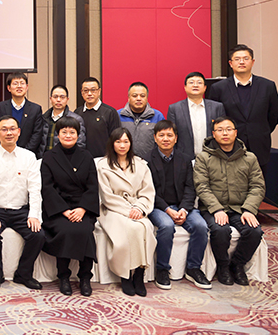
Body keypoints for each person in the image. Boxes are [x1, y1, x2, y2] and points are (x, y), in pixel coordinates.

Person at [194, 116, 265, 286]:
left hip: (240, 208)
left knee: (254, 231)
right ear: (213, 134)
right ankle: (223, 266)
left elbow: (258, 186)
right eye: (220, 130)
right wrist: (217, 209)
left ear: (235, 132)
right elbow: (201, 186)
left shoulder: (249, 158)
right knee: (220, 230)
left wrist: (249, 209)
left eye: (228, 129)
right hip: (212, 209)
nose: (224, 133)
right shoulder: (204, 157)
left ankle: (237, 265)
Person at [0, 115, 44, 291]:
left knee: (38, 235)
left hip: (21, 210)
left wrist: (34, 215)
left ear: (19, 132)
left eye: (12, 129)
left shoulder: (29, 157)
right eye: (4, 129)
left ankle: (24, 274)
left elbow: (35, 189)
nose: (9, 133)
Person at [146, 120, 211, 290]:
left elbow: (190, 187)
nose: (165, 139)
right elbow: (149, 191)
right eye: (161, 135)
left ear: (176, 138)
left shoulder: (185, 159)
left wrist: (183, 209)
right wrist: (168, 210)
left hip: (183, 205)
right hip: (159, 207)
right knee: (167, 226)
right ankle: (162, 269)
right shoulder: (147, 160)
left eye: (169, 135)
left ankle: (193, 268)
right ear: (155, 138)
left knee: (200, 226)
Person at [40, 117, 99, 297]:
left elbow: (92, 187)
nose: (68, 135)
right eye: (64, 132)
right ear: (57, 135)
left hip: (82, 208)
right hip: (58, 209)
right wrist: (64, 210)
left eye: (72, 132)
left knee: (85, 231)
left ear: (78, 135)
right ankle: (63, 276)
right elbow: (47, 188)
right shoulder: (49, 156)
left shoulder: (86, 156)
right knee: (65, 230)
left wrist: (82, 209)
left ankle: (85, 277)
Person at [96, 127, 156, 297]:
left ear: (130, 143)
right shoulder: (103, 165)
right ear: (112, 143)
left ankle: (139, 273)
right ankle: (126, 275)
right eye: (118, 141)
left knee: (146, 228)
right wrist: (128, 210)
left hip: (138, 208)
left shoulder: (141, 164)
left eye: (125, 141)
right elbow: (106, 196)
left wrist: (139, 208)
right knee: (130, 229)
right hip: (112, 209)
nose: (122, 145)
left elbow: (148, 192)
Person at [207, 44, 278, 168]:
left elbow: (273, 116)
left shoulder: (267, 86)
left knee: (259, 179)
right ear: (230, 63)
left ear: (252, 62)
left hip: (259, 145)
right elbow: (214, 118)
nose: (242, 62)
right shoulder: (218, 88)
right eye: (237, 59)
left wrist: (259, 131)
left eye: (246, 58)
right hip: (229, 146)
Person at [167, 72, 225, 159]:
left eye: (199, 82)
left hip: (212, 157)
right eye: (191, 82)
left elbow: (222, 132)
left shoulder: (217, 107)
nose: (195, 85)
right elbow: (171, 134)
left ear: (205, 88)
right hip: (184, 159)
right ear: (185, 87)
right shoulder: (174, 109)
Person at [0, 73, 43, 154]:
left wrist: (24, 153)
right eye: (15, 83)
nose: (19, 86)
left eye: (22, 83)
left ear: (27, 87)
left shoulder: (35, 109)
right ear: (9, 88)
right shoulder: (0, 107)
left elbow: (37, 134)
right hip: (4, 153)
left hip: (27, 155)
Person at [75, 77, 120, 158]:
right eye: (86, 90)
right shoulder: (77, 113)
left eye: (93, 90)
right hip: (81, 159)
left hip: (104, 159)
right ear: (82, 93)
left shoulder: (110, 112)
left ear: (99, 91)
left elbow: (116, 139)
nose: (89, 93)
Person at [118, 81, 165, 158]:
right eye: (134, 96)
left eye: (142, 96)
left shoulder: (157, 116)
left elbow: (162, 140)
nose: (139, 99)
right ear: (128, 98)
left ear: (147, 98)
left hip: (150, 161)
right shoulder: (118, 115)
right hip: (124, 160)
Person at [39, 84, 86, 157]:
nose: (58, 100)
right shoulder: (44, 118)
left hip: (65, 159)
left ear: (67, 99)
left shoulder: (76, 119)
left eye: (62, 97)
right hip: (44, 158)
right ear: (50, 99)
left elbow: (80, 144)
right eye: (55, 97)